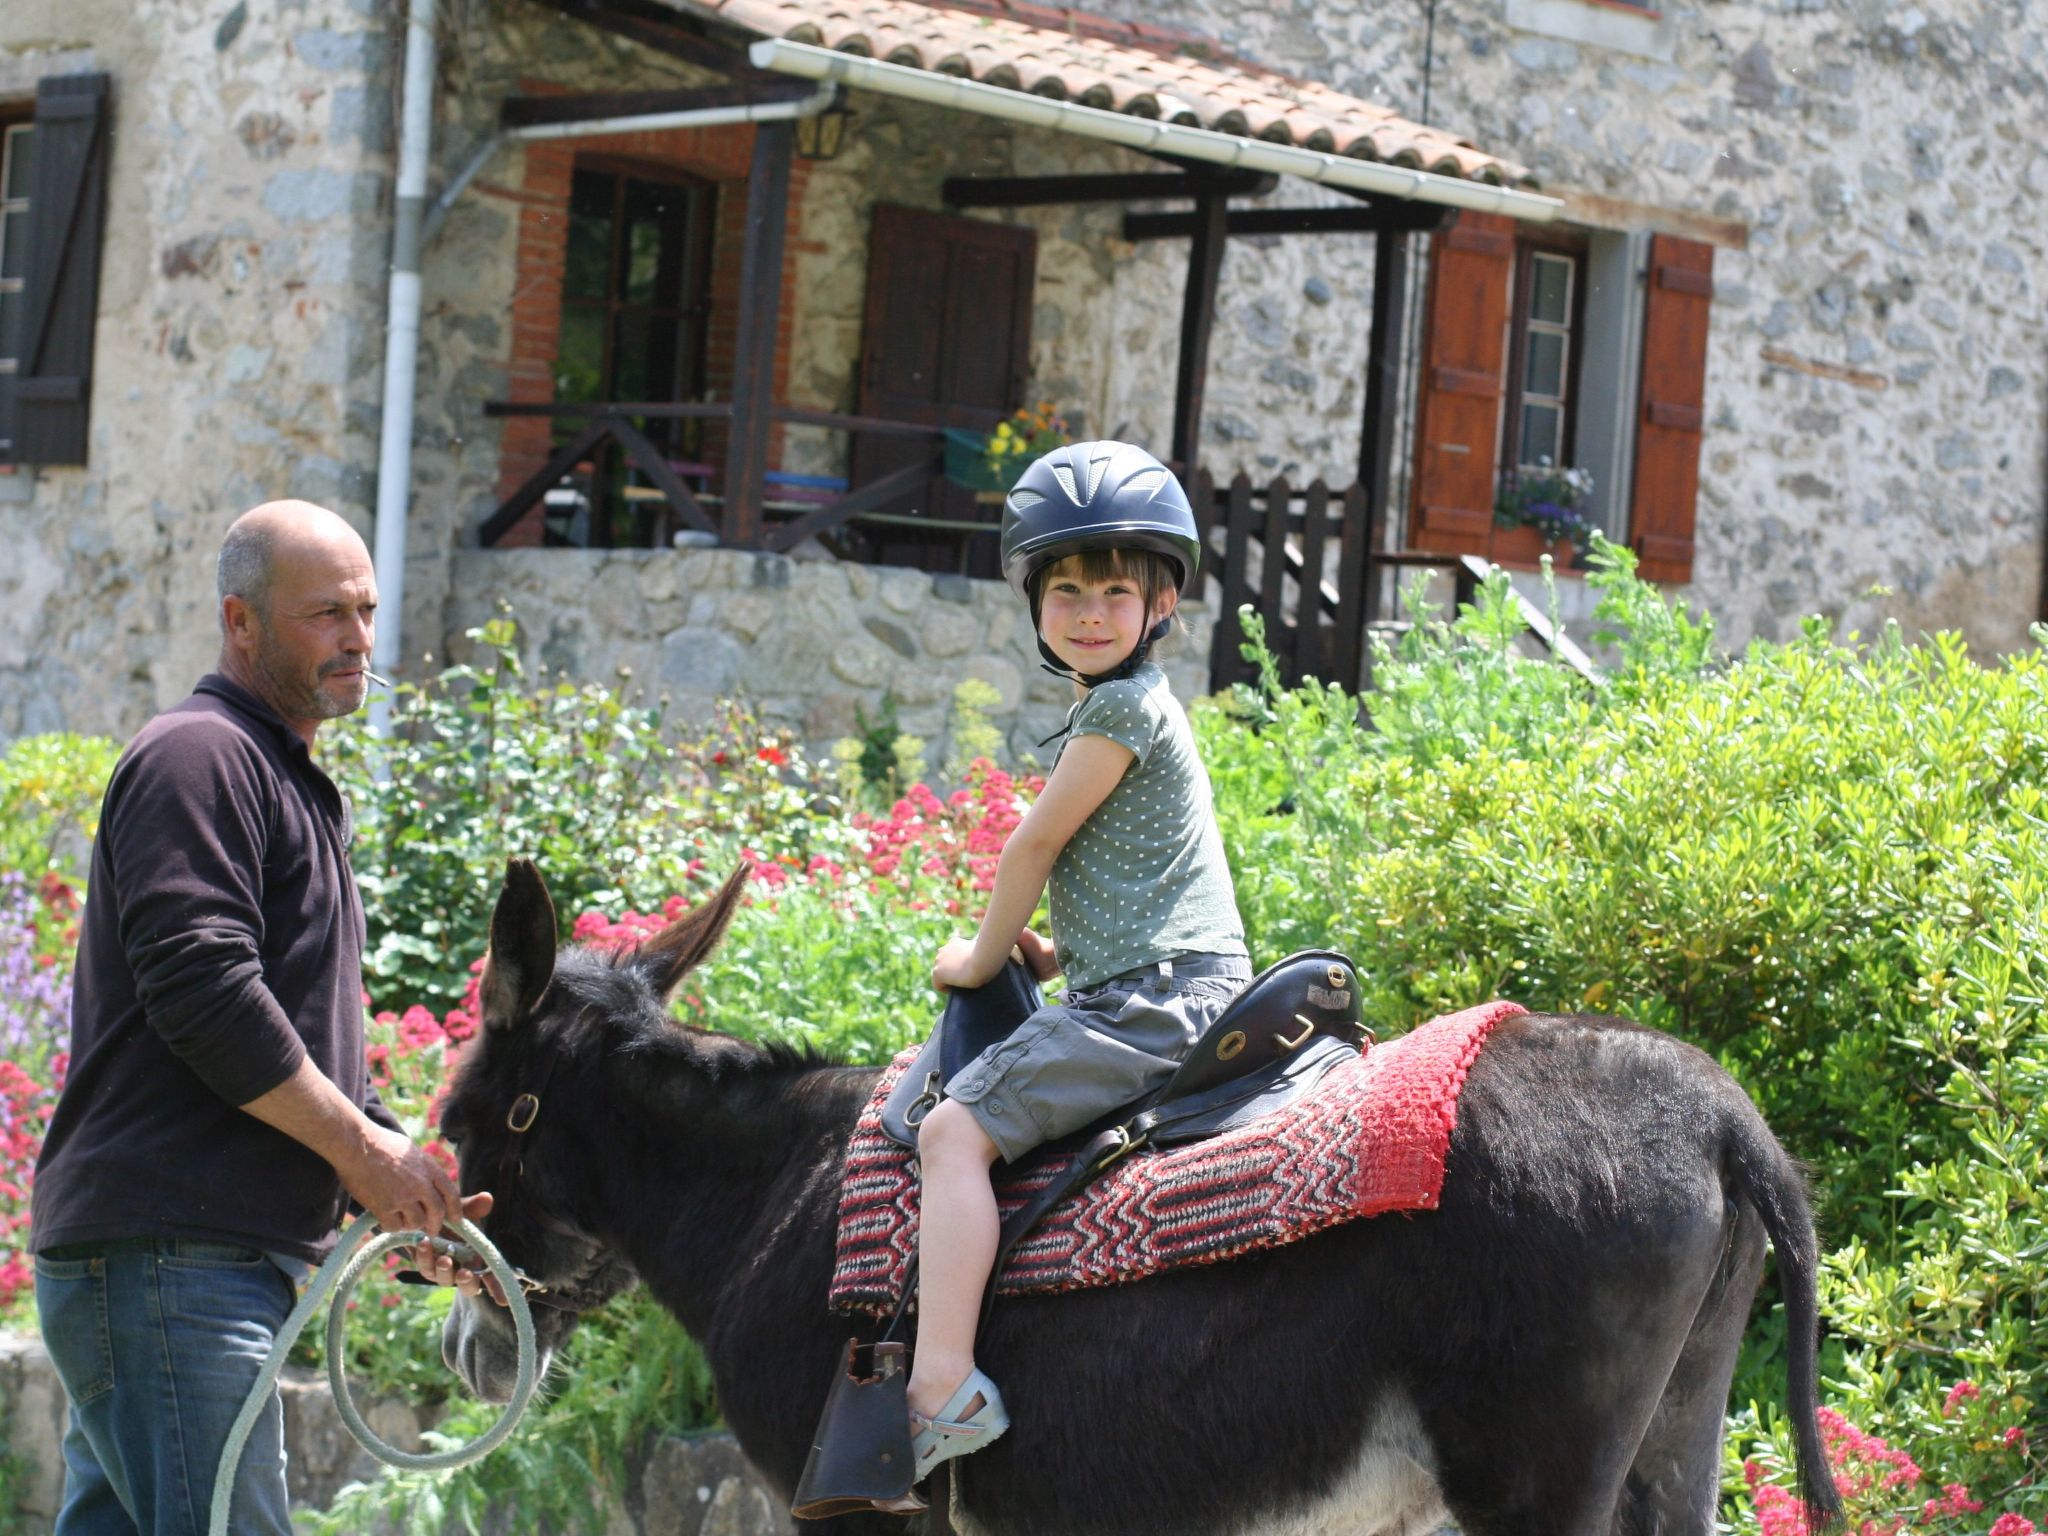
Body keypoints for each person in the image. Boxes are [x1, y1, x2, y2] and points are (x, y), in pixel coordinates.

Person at [29, 500, 491, 1535]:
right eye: (325, 614)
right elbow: (201, 991)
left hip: (174, 1267)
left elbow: (292, 1028)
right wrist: (364, 1152)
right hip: (170, 1264)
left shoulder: (289, 782)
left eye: (367, 611)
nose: (359, 640)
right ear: (240, 623)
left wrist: (395, 1187)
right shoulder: (198, 756)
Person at [903, 442, 1250, 1492]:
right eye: (1064, 588)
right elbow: (1130, 871)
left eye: (1113, 589)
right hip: (1166, 976)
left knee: (950, 1131)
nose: (1088, 611)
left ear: (1160, 607)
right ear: (1034, 603)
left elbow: (1032, 847)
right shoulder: (1140, 707)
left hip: (1155, 1001)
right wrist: (1051, 951)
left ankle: (939, 1387)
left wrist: (979, 954)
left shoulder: (1114, 710)